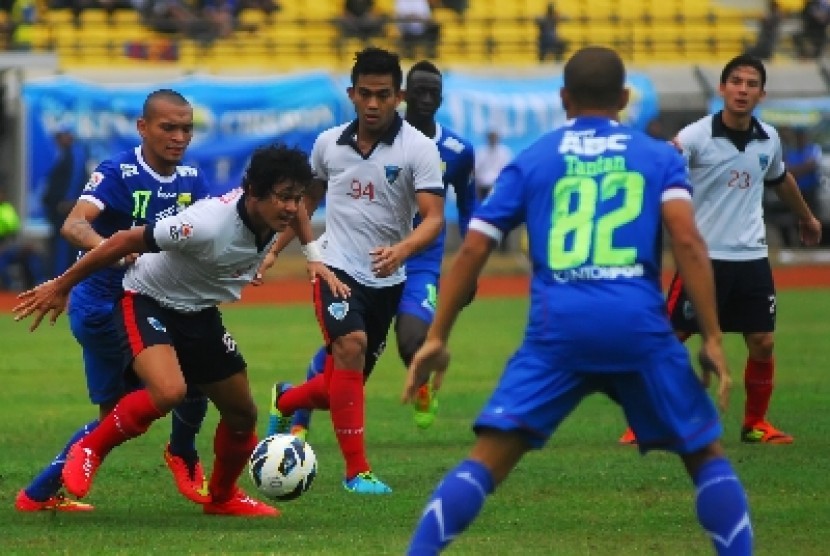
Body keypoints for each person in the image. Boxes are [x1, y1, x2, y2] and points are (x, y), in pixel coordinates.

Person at [402, 45, 754, 556]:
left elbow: (474, 246)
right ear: (625, 99)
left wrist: (437, 336)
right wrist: (715, 337)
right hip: (638, 327)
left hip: (558, 330)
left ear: (564, 98)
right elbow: (689, 244)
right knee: (706, 456)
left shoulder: (535, 159)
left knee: (485, 461)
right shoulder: (657, 156)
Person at [13, 144, 348, 516]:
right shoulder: (207, 223)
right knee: (169, 391)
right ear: (253, 192)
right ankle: (91, 448)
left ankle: (221, 498)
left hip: (197, 312)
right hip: (146, 298)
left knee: (242, 414)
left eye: (295, 198)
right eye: (284, 197)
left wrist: (314, 258)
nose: (291, 207)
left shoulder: (280, 211)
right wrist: (61, 285)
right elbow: (125, 240)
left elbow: (300, 210)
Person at [15, 90, 216, 513]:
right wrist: (110, 246)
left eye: (186, 129)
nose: (179, 137)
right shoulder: (119, 171)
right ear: (143, 128)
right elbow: (74, 224)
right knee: (170, 388)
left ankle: (37, 493)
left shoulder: (191, 181)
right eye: (168, 127)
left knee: (133, 410)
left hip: (148, 302)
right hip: (103, 304)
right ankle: (181, 454)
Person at [265, 47, 446, 495]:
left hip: (387, 281)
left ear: (398, 97)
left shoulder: (419, 150)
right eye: (365, 93)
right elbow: (306, 204)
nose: (373, 103)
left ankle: (286, 398)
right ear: (351, 93)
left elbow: (435, 216)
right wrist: (274, 250)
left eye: (383, 95)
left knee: (336, 391)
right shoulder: (328, 144)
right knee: (351, 345)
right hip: (335, 268)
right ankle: (356, 472)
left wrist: (403, 249)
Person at [618, 54, 823, 447]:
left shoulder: (769, 139)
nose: (742, 90)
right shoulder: (696, 135)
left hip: (751, 257)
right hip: (703, 259)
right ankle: (643, 420)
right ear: (722, 88)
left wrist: (807, 218)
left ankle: (756, 423)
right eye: (736, 82)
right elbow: (662, 166)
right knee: (670, 337)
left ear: (761, 94)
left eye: (751, 84)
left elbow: (780, 180)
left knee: (762, 340)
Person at [282, 59, 476, 438]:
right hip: (360, 259)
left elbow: (466, 209)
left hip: (419, 261)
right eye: (417, 90)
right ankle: (299, 420)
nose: (424, 99)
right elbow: (315, 197)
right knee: (348, 347)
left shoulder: (455, 150)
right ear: (405, 96)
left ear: (439, 98)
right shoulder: (352, 142)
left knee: (410, 341)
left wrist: (471, 265)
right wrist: (276, 250)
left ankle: (421, 384)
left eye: (431, 92)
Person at [41, 125, 85, 278]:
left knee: (64, 247)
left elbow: (75, 179)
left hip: (65, 209)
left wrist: (69, 200)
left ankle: (61, 281)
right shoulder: (64, 153)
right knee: (58, 246)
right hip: (57, 209)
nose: (58, 140)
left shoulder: (75, 153)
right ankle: (58, 279)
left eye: (61, 136)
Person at [474, 129, 512, 203]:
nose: (493, 140)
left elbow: (508, 169)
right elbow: (475, 169)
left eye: (494, 137)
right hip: (483, 185)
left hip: (499, 185)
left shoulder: (504, 152)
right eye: (491, 137)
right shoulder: (481, 152)